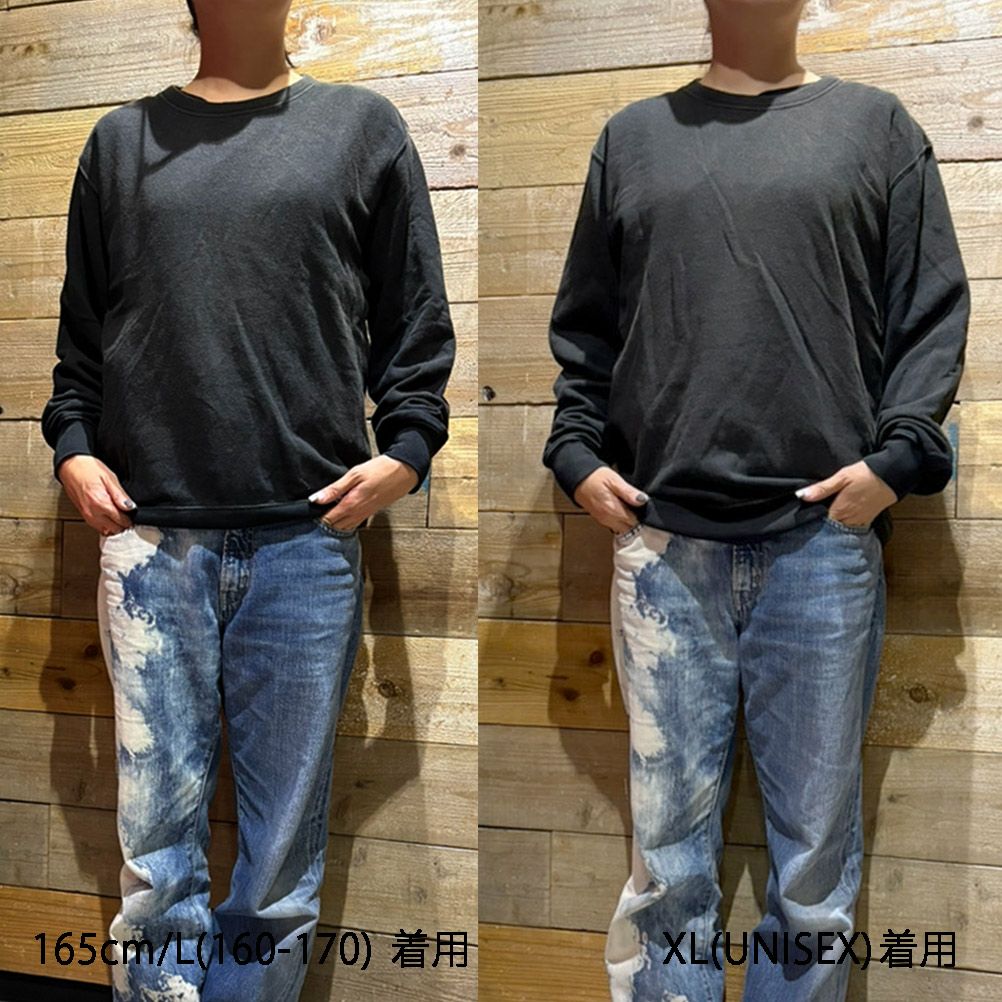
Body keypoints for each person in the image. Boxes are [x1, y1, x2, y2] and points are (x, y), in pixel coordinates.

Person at [540, 1, 968, 1000]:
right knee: (666, 871)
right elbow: (587, 327)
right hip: (661, 546)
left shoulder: (877, 129)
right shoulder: (632, 140)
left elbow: (930, 311)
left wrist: (897, 460)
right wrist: (575, 453)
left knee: (812, 872)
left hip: (822, 544)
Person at [40, 2, 455, 1000]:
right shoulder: (120, 144)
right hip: (148, 541)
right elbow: (81, 346)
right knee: (157, 865)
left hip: (306, 543)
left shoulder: (361, 129)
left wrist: (408, 449)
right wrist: (73, 450)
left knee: (277, 872)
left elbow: (414, 321)